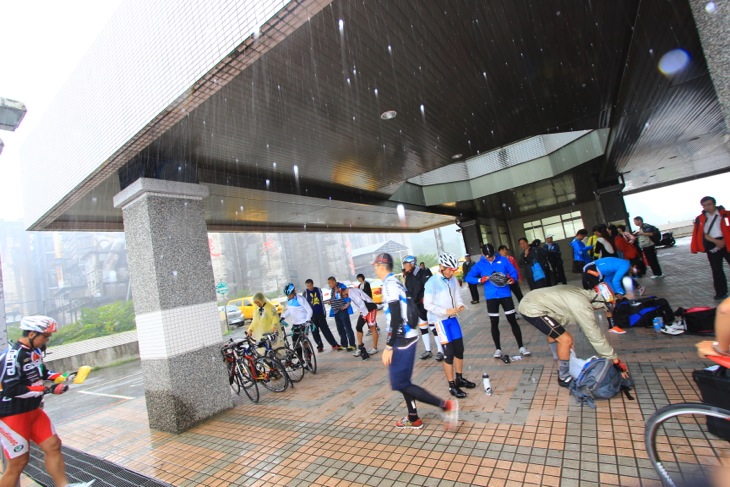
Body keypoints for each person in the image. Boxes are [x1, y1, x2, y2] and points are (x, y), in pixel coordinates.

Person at [0, 315, 95, 487]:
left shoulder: (34, 352)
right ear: (31, 334)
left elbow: (42, 373)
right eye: (45, 336)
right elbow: (12, 389)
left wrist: (62, 377)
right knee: (18, 463)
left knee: (53, 445)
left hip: (34, 411)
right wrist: (48, 389)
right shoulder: (13, 356)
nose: (47, 340)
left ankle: (63, 486)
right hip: (12, 415)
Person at [374, 253, 458, 431]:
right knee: (403, 381)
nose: (374, 268)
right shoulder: (395, 282)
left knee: (400, 383)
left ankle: (445, 405)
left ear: (382, 266)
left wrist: (389, 346)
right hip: (407, 334)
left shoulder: (389, 285)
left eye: (376, 266)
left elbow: (396, 315)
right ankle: (413, 417)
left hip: (401, 338)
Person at [518, 285, 629, 388]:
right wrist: (615, 360)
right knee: (566, 340)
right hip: (532, 308)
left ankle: (559, 362)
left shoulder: (582, 293)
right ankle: (563, 377)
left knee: (557, 334)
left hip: (534, 300)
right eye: (602, 305)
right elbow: (595, 335)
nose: (599, 309)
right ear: (599, 300)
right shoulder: (582, 304)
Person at [424, 252, 477, 398]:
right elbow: (428, 304)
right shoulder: (431, 282)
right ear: (441, 267)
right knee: (449, 354)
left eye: (453, 270)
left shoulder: (453, 279)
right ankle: (451, 385)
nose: (451, 272)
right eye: (449, 269)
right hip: (439, 321)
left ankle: (459, 379)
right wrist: (445, 310)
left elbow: (458, 296)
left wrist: (459, 305)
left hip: (453, 318)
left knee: (459, 349)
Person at [466, 243, 530, 359]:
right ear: (483, 254)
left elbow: (513, 272)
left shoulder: (503, 260)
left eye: (491, 255)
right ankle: (498, 349)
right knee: (494, 323)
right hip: (491, 297)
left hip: (505, 295)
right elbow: (468, 277)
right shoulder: (480, 264)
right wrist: (480, 279)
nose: (490, 258)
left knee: (512, 320)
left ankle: (521, 347)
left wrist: (512, 278)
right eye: (487, 256)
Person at [581, 258, 647, 334]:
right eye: (636, 271)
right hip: (591, 271)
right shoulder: (625, 265)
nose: (634, 273)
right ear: (635, 266)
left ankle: (612, 326)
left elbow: (608, 280)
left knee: (607, 299)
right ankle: (610, 326)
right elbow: (616, 280)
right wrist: (621, 293)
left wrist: (616, 293)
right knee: (605, 299)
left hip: (592, 271)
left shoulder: (622, 264)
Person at [402, 256, 445, 361]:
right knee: (423, 328)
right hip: (417, 306)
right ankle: (428, 350)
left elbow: (428, 289)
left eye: (405, 264)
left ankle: (440, 351)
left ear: (411, 263)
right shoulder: (408, 275)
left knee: (434, 328)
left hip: (426, 305)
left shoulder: (422, 273)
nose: (404, 266)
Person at [690, 196, 730, 300]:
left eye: (709, 204)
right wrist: (717, 242)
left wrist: (724, 241)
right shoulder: (700, 219)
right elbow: (701, 234)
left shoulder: (725, 214)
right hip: (712, 244)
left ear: (714, 204)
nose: (707, 207)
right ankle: (721, 292)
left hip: (727, 242)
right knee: (716, 270)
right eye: (704, 206)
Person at [303, 279, 341, 351]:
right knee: (315, 331)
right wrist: (307, 317)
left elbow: (321, 302)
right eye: (308, 286)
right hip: (311, 316)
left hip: (320, 313)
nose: (309, 287)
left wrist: (324, 313)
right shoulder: (305, 292)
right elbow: (304, 305)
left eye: (310, 286)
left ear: (313, 284)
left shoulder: (318, 290)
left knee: (326, 329)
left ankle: (334, 344)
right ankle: (319, 346)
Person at [341, 286, 379, 357]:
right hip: (364, 311)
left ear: (344, 291)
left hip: (370, 309)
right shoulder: (350, 292)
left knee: (372, 328)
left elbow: (361, 303)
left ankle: (374, 348)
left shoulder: (352, 292)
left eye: (343, 295)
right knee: (358, 327)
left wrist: (363, 314)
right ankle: (360, 347)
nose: (344, 297)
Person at [280, 283, 314, 359]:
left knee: (304, 342)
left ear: (293, 292)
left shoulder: (300, 299)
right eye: (287, 295)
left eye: (289, 295)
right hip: (295, 324)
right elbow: (290, 310)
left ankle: (308, 361)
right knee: (295, 342)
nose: (288, 297)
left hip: (304, 323)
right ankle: (300, 359)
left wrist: (308, 321)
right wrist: (283, 317)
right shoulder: (288, 300)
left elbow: (309, 310)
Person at [327, 276, 357, 351]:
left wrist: (347, 304)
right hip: (336, 311)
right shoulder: (332, 289)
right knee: (340, 328)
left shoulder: (342, 286)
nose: (329, 284)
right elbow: (334, 298)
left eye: (330, 283)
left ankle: (352, 344)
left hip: (342, 310)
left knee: (347, 327)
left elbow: (348, 295)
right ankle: (344, 344)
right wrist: (330, 301)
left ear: (334, 281)